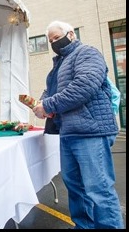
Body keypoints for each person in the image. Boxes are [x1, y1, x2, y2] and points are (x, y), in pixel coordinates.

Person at [32, 20, 124, 229]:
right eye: (51, 40)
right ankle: (84, 225)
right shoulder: (60, 64)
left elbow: (84, 86)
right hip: (69, 131)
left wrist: (47, 104)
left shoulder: (87, 53)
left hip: (90, 131)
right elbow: (52, 92)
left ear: (71, 34)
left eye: (57, 37)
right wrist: (40, 104)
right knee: (75, 186)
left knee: (98, 189)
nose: (54, 42)